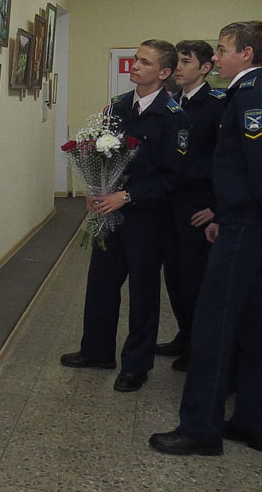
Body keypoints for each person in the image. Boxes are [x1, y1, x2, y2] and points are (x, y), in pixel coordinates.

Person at [150, 21, 262, 457]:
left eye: (222, 49)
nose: (216, 58)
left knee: (212, 327)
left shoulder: (252, 95)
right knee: (256, 325)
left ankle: (200, 429)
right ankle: (255, 423)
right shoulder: (254, 92)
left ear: (247, 54)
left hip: (247, 228)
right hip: (248, 222)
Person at [60, 40, 190, 393]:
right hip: (110, 211)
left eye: (144, 62)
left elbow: (173, 177)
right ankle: (96, 350)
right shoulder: (118, 107)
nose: (135, 66)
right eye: (135, 59)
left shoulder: (173, 117)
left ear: (164, 73)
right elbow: (103, 154)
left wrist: (128, 195)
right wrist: (96, 188)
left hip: (148, 217)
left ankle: (136, 365)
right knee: (100, 283)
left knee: (143, 293)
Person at [157, 40, 226, 371]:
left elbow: (226, 162)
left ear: (205, 68)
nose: (179, 67)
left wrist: (217, 207)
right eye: (177, 61)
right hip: (172, 202)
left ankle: (200, 345)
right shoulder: (173, 103)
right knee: (174, 276)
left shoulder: (216, 105)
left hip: (200, 205)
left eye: (186, 61)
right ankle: (185, 334)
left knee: (195, 279)